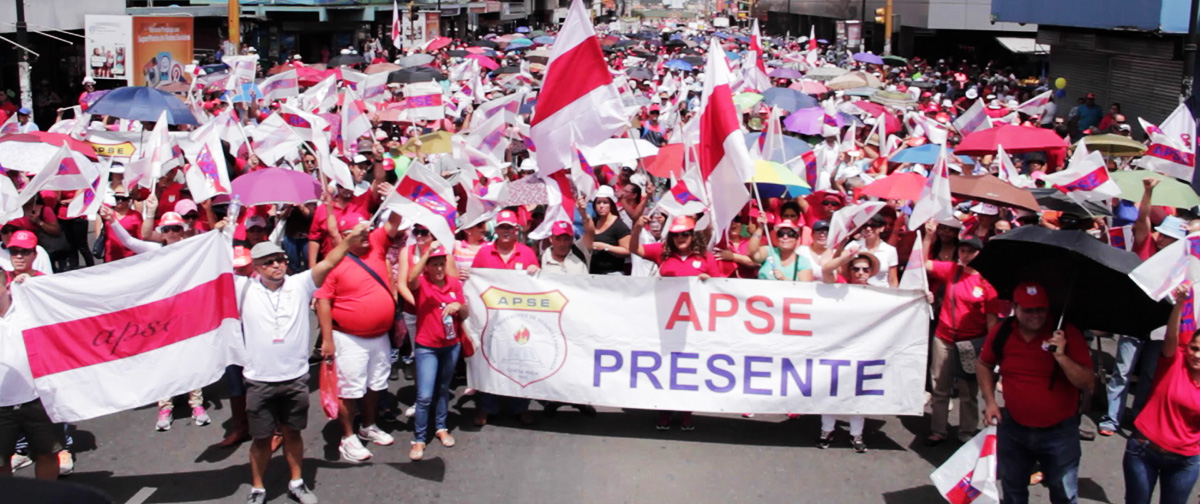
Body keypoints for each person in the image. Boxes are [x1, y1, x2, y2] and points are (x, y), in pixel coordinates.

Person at [238, 223, 369, 504]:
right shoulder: (243, 289)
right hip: (259, 381)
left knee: (292, 433)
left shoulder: (300, 283)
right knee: (261, 439)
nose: (277, 265)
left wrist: (348, 241)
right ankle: (258, 489)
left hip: (295, 379)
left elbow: (329, 261)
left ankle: (296, 483)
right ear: (257, 268)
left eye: (281, 259)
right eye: (269, 262)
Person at [978, 282, 1094, 504]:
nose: (1036, 316)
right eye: (1028, 310)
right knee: (1013, 491)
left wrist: (1061, 356)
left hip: (1059, 433)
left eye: (1041, 309)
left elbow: (1087, 382)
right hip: (1013, 429)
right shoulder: (1002, 332)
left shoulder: (1066, 334)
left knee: (1064, 494)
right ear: (1015, 308)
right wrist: (990, 402)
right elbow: (984, 364)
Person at [315, 214, 402, 462]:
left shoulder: (375, 244)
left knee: (376, 385)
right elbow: (323, 301)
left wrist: (395, 198)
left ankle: (368, 424)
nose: (366, 235)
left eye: (367, 230)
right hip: (349, 339)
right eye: (359, 232)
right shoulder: (332, 263)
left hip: (379, 338)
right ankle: (348, 437)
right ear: (344, 238)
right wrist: (327, 340)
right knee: (350, 390)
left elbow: (394, 222)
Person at [631, 214, 719, 430]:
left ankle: (687, 412)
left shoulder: (706, 257)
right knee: (666, 366)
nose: (681, 238)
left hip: (694, 322)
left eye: (686, 234)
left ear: (693, 235)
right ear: (671, 236)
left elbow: (720, 286)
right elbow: (635, 249)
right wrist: (636, 229)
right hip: (665, 320)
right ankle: (664, 411)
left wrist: (707, 282)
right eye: (677, 234)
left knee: (688, 368)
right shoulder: (661, 252)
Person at [922, 225, 1000, 446]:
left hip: (971, 343)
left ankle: (966, 431)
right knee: (939, 387)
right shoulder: (952, 271)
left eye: (970, 252)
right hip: (944, 337)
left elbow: (992, 320)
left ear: (979, 254)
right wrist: (928, 237)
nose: (965, 255)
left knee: (968, 390)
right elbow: (924, 264)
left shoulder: (987, 282)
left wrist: (990, 349)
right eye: (962, 251)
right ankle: (938, 430)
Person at [1123, 283, 1200, 504]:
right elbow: (1171, 338)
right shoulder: (1173, 361)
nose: (1197, 355)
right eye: (1194, 348)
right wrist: (1179, 305)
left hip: (1184, 462)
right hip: (1143, 451)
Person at [0, 231, 63, 481]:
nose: (19, 256)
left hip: (38, 397)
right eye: (14, 251)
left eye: (24, 251)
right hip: (2, 406)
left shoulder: (30, 299)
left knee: (48, 454)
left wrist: (34, 287)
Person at [470, 209, 540, 426]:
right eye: (502, 227)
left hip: (520, 320)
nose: (506, 232)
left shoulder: (527, 252)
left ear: (517, 230)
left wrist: (535, 270)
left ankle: (520, 407)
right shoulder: (483, 253)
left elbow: (539, 283)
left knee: (520, 361)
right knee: (490, 362)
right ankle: (487, 407)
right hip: (492, 318)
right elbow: (474, 283)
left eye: (510, 228)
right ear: (496, 230)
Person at [404, 243, 465, 461]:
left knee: (443, 389)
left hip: (451, 345)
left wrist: (459, 307)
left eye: (441, 264)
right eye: (434, 265)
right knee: (425, 395)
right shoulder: (421, 284)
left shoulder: (454, 284)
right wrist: (427, 253)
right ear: (427, 267)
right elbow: (409, 279)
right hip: (427, 347)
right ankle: (419, 439)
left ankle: (441, 427)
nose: (439, 269)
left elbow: (465, 313)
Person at [817, 248, 878, 451]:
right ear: (850, 270)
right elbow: (826, 270)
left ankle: (856, 434)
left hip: (863, 349)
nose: (861, 273)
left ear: (870, 272)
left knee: (858, 392)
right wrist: (846, 256)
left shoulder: (879, 293)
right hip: (837, 348)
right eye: (856, 268)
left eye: (865, 269)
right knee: (830, 388)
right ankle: (827, 430)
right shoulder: (839, 287)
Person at [587, 186, 631, 275]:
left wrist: (606, 247)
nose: (601, 206)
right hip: (592, 273)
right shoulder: (593, 222)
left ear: (611, 204)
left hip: (612, 274)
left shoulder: (619, 226)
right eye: (598, 202)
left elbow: (628, 251)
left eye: (605, 202)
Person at [858, 214, 899, 287]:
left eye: (873, 225)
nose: (868, 228)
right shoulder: (853, 246)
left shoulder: (890, 250)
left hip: (882, 293)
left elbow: (893, 280)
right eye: (865, 225)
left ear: (882, 228)